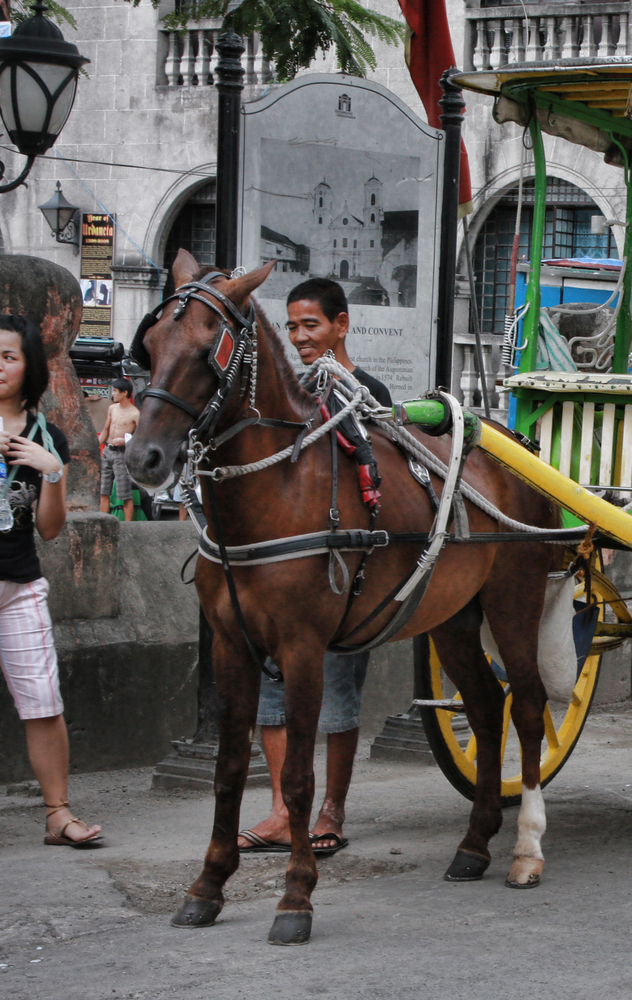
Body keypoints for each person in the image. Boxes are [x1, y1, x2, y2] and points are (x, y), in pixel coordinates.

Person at [238, 279, 390, 856]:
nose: (300, 337)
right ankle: (281, 810)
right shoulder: (282, 397)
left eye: (312, 325)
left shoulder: (366, 393)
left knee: (339, 692)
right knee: (272, 694)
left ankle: (332, 808)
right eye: (293, 326)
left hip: (346, 570)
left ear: (341, 325)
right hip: (282, 572)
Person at [0, 314, 99, 847]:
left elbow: (51, 529)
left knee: (42, 701)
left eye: (9, 356)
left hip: (18, 586)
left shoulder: (46, 436)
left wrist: (53, 469)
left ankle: (58, 814)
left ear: (28, 366)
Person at [96, 378, 138, 521]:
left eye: (115, 390)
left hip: (122, 454)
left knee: (124, 493)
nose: (113, 394)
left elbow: (140, 438)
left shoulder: (135, 413)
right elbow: (105, 430)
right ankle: (103, 523)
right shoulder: (112, 408)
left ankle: (128, 526)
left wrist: (125, 441)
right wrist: (96, 447)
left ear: (124, 393)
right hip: (108, 451)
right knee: (103, 491)